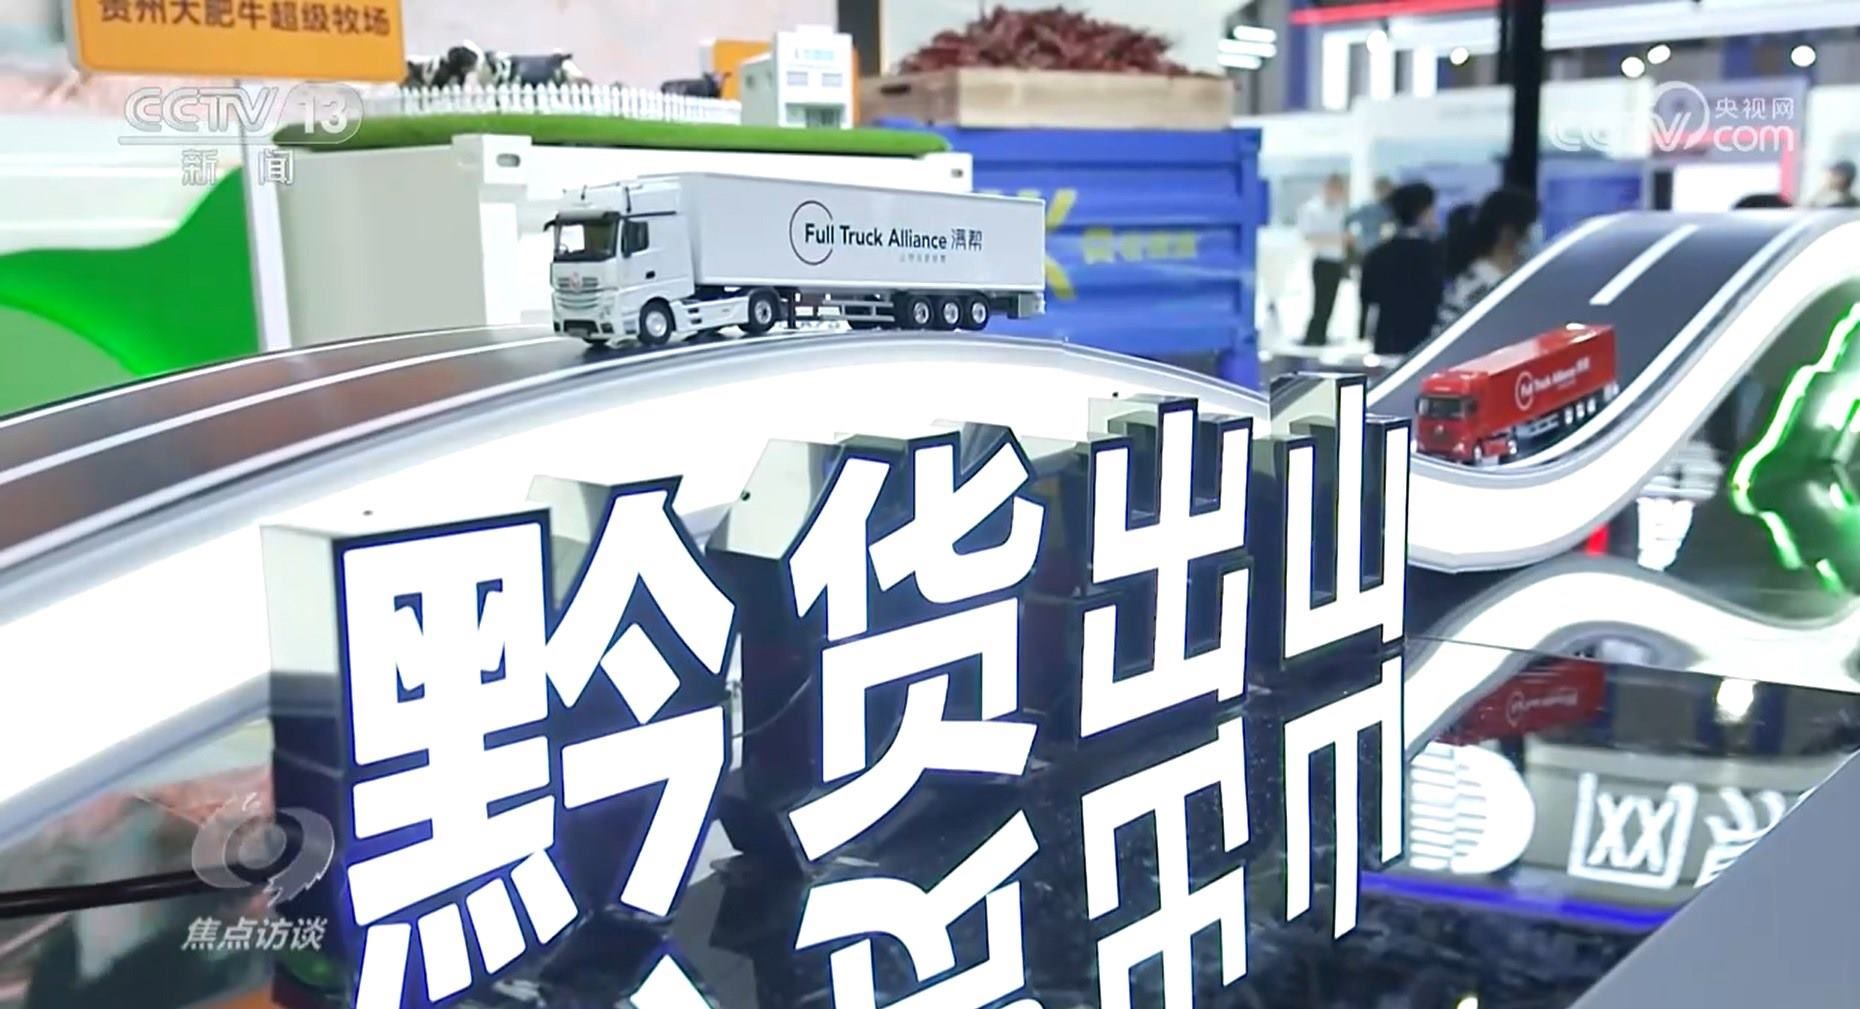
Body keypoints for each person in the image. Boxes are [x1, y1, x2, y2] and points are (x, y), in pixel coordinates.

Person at [1437, 186, 1539, 334]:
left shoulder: (1527, 272)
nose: (1533, 232)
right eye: (1530, 224)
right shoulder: (1472, 285)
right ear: (1507, 230)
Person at [1359, 182, 1443, 357]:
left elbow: (1367, 297)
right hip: (1426, 342)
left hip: (1386, 340)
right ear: (1422, 213)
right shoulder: (1435, 254)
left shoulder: (1378, 253)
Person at [1297, 173, 1349, 346]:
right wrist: (1337, 239)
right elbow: (1308, 236)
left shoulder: (1341, 209)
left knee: (1330, 302)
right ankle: (1313, 336)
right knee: (1320, 301)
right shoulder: (1312, 209)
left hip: (1337, 260)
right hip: (1322, 260)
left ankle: (1322, 334)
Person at [1347, 176, 1395, 262]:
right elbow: (1348, 220)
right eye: (1382, 190)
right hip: (1369, 251)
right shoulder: (1366, 209)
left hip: (1381, 252)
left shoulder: (1392, 211)